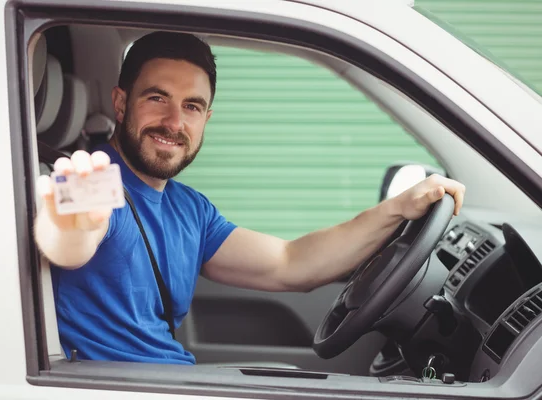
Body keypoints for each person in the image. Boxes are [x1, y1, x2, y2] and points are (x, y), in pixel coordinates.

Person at [34, 31, 466, 365]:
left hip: (171, 378)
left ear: (207, 117)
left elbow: (290, 262)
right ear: (121, 103)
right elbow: (68, 241)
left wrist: (396, 210)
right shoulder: (90, 180)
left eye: (192, 106)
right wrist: (73, 225)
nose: (173, 121)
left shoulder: (190, 208)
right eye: (157, 98)